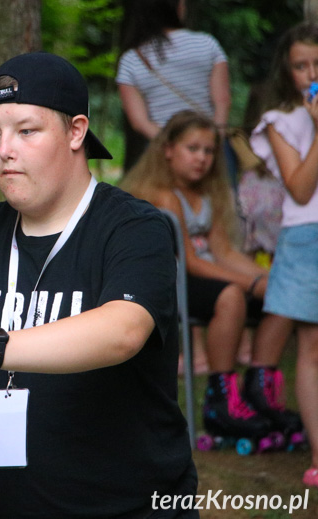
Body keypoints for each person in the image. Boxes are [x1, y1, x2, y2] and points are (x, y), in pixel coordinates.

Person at [0, 52, 196, 518]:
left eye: (26, 131)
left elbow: (123, 331)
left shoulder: (134, 229)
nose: (5, 149)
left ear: (76, 131)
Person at [120, 110, 281, 445]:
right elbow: (190, 262)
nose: (203, 159)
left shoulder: (209, 195)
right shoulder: (163, 195)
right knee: (232, 296)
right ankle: (220, 398)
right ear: (168, 149)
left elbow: (224, 252)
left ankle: (261, 391)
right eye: (193, 149)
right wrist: (250, 283)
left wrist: (270, 278)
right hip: (173, 282)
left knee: (280, 298)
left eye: (209, 151)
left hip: (206, 277)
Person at [248, 21, 318, 486]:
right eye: (301, 65)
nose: (312, 72)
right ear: (287, 71)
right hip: (307, 234)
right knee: (312, 349)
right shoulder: (279, 121)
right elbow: (299, 187)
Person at [116, 0, 232, 173]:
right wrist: (213, 139)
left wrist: (174, 146)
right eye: (183, 3)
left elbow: (140, 122)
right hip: (211, 147)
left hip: (163, 151)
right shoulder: (207, 44)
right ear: (175, 7)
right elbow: (222, 100)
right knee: (222, 201)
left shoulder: (132, 59)